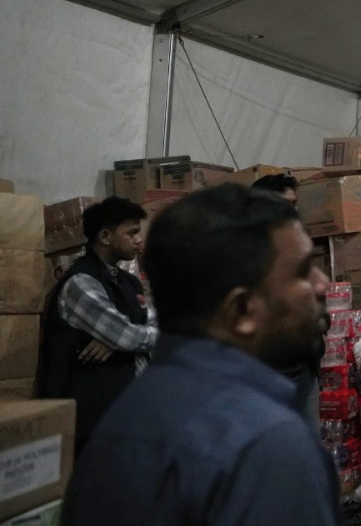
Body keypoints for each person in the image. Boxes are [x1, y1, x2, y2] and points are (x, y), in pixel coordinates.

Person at [60, 184, 340, 525]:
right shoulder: (268, 443)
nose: (323, 284)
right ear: (242, 309)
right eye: (302, 272)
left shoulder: (119, 425)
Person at [37, 196, 157, 452]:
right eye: (132, 232)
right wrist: (126, 338)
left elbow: (150, 327)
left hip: (129, 408)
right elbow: (131, 335)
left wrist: (116, 341)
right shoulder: (81, 283)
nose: (139, 239)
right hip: (93, 419)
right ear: (105, 237)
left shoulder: (129, 282)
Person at [253, 172, 319, 429]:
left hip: (304, 366)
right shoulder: (243, 253)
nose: (295, 211)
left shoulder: (294, 246)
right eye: (287, 204)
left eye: (295, 203)